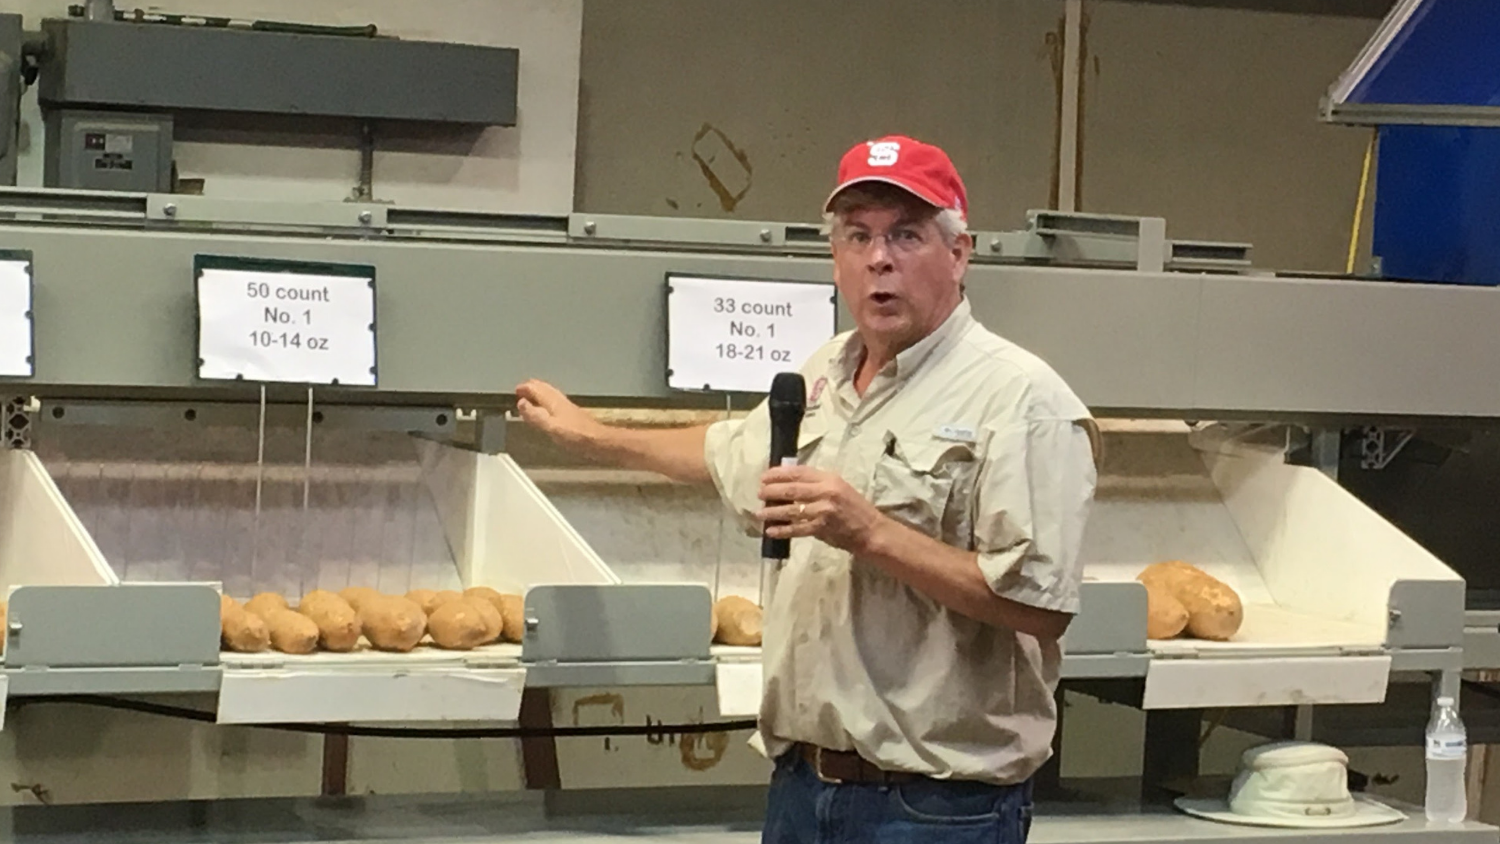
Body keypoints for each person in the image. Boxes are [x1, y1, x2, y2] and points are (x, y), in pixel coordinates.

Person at [515, 134, 1099, 844]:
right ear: (836, 259)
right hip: (802, 788)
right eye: (858, 236)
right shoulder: (825, 372)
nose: (879, 259)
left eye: (906, 235)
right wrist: (592, 436)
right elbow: (729, 454)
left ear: (960, 252)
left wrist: (870, 532)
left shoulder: (1022, 401)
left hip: (936, 808)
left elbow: (1038, 606)